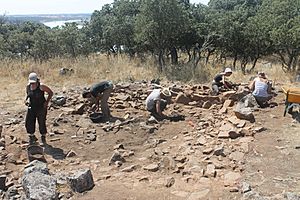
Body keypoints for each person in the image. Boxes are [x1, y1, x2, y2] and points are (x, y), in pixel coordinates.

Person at [25, 72, 53, 145]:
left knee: (41, 122)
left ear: (37, 81)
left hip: (41, 107)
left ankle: (43, 136)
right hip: (32, 106)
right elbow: (28, 95)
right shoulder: (28, 87)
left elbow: (50, 92)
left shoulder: (41, 86)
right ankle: (32, 136)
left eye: (33, 83)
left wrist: (47, 102)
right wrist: (26, 101)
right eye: (31, 83)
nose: (32, 84)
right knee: (29, 122)